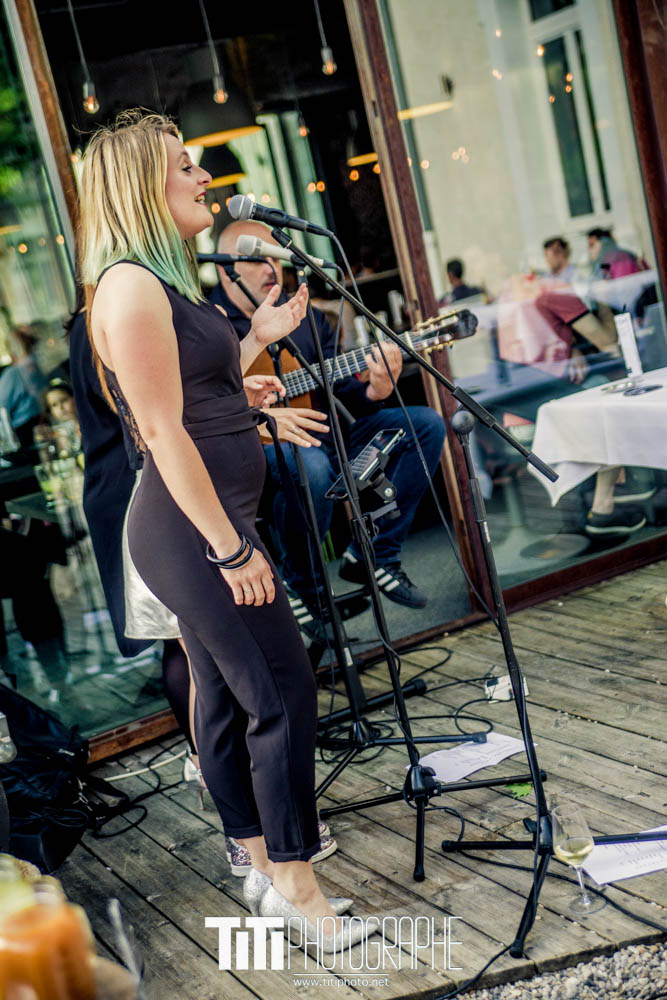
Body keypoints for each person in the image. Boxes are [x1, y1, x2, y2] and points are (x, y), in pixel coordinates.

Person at [78, 110, 366, 947]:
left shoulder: (160, 283)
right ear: (142, 187)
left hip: (207, 523)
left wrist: (252, 366)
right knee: (280, 692)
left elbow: (191, 396)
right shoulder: (129, 285)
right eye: (183, 167)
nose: (203, 178)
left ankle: (259, 867)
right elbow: (160, 431)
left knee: (225, 696)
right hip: (193, 530)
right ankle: (300, 890)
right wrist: (232, 547)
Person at [210, 220, 447, 614]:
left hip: (323, 436)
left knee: (423, 425)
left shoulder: (304, 316)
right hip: (256, 454)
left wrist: (376, 389)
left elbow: (339, 392)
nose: (272, 268)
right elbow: (205, 398)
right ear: (224, 267)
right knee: (312, 463)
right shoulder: (210, 322)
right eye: (256, 259)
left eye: (277, 257)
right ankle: (306, 589)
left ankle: (375, 555)